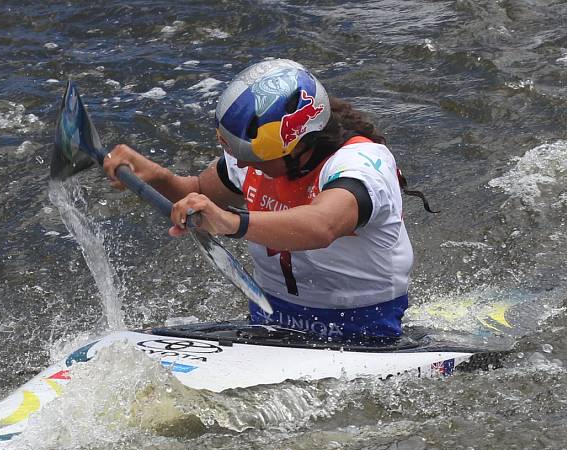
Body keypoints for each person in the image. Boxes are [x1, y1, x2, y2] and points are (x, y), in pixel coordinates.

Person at [103, 58, 431, 343]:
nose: (243, 164)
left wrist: (231, 223)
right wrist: (157, 176)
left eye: (253, 154)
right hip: (271, 323)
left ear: (300, 144)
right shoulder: (262, 160)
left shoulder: (361, 166)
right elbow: (200, 194)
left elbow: (322, 225)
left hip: (364, 331)